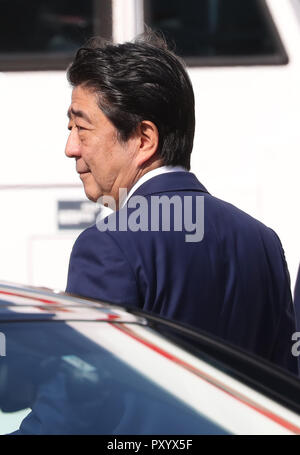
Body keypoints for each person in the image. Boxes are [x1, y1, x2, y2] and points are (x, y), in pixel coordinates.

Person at [65, 32, 297, 374]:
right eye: (69, 128)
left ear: (144, 139)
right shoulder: (262, 241)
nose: (71, 147)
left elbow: (82, 394)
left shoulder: (108, 245)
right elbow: (286, 387)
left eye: (81, 128)